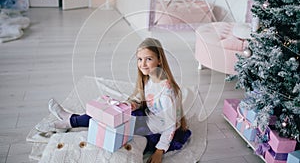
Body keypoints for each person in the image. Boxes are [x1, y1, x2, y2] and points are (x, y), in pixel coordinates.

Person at [36, 38, 191, 163]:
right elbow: (145, 98)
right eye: (139, 59)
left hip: (155, 130)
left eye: (148, 59)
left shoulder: (167, 94)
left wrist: (159, 151)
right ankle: (70, 120)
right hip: (149, 118)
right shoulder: (150, 79)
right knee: (113, 111)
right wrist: (134, 104)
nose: (142, 64)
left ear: (159, 61)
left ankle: (69, 120)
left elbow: (170, 127)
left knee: (111, 122)